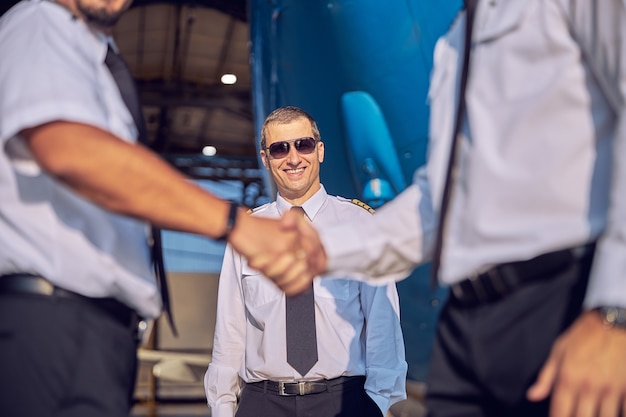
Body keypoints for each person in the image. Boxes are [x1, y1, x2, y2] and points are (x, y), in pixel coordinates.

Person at [249, 2, 626, 417]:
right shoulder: (457, 40)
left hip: (562, 300)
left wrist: (615, 309)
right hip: (468, 321)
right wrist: (326, 249)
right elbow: (441, 200)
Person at [0, 1, 311, 416]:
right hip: (52, 323)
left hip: (96, 333)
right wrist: (236, 224)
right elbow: (71, 149)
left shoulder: (98, 65)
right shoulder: (40, 21)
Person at [204, 106, 407, 417]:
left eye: (304, 144)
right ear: (265, 158)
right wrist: (222, 407)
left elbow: (383, 324)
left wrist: (376, 404)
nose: (294, 158)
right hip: (263, 403)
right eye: (279, 149)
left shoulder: (360, 226)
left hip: (343, 401)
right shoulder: (248, 234)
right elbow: (230, 331)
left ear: (320, 150)